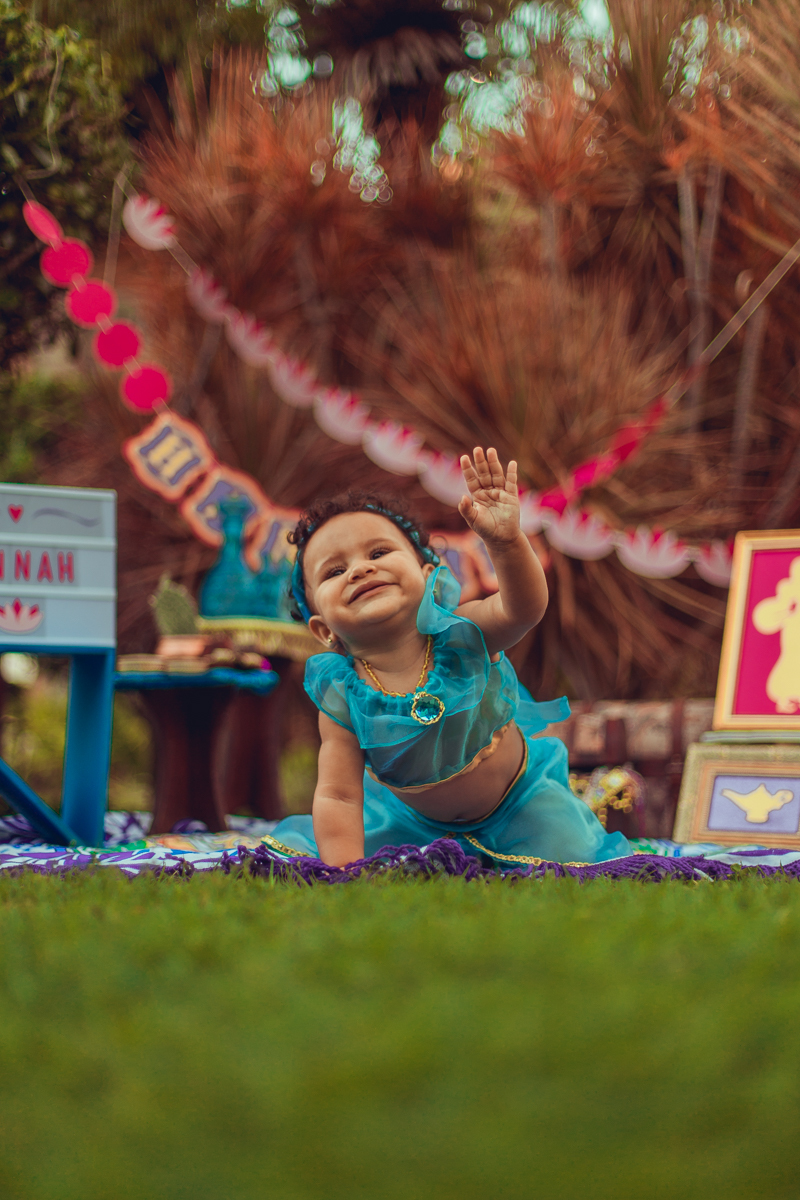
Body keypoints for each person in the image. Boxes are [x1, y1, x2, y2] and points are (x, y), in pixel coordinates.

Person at [264, 447, 631, 868]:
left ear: (427, 575)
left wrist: (506, 543)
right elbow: (338, 795)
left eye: (379, 553)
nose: (359, 570)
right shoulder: (343, 695)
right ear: (322, 629)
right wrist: (345, 873)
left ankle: (583, 808)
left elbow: (523, 609)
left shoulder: (460, 632)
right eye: (334, 571)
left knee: (572, 858)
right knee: (374, 856)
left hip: (520, 802)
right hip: (414, 822)